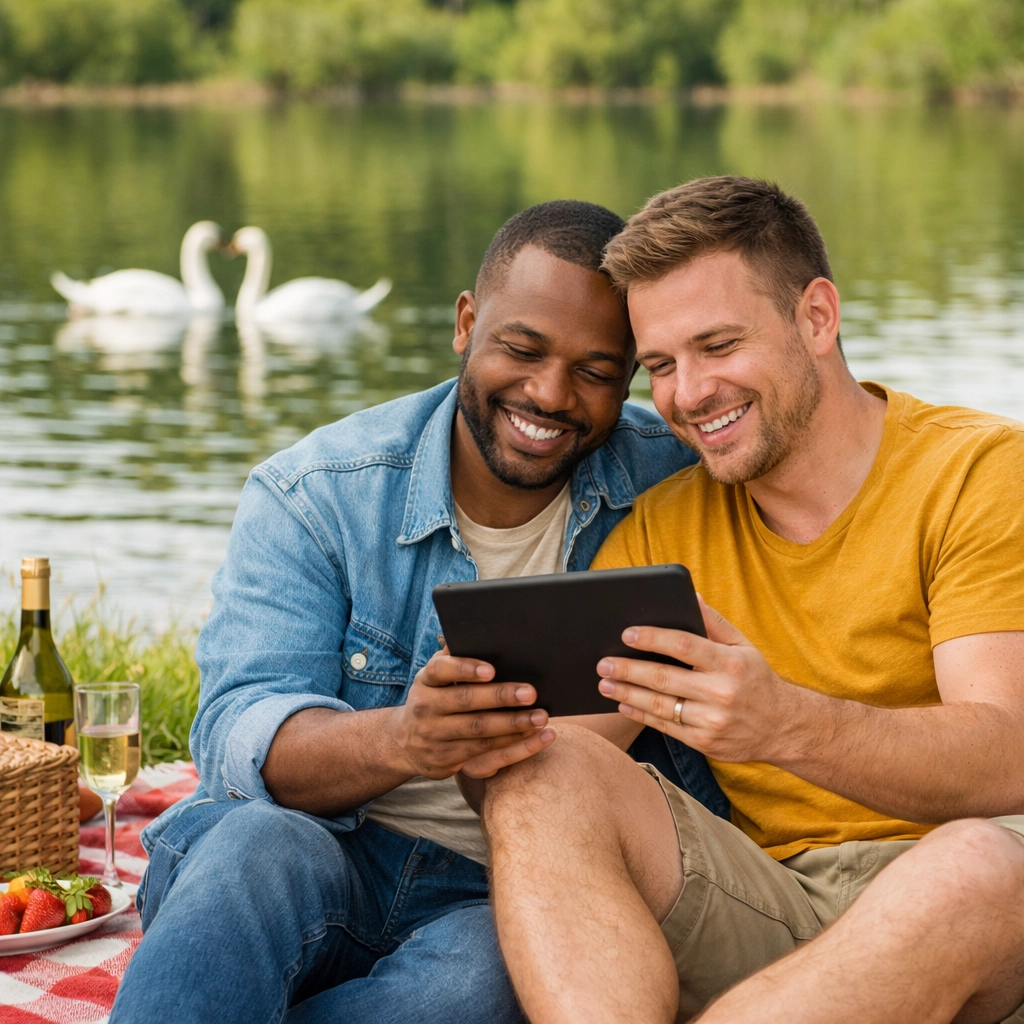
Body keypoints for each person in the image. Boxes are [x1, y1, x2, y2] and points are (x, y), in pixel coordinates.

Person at [108, 200, 710, 1024]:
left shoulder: (678, 482)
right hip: (323, 850)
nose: (549, 393)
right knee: (250, 849)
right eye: (521, 349)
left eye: (597, 372)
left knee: (495, 979)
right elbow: (236, 734)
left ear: (634, 374)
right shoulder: (317, 492)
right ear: (466, 324)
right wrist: (403, 739)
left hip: (502, 890)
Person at [469, 177, 1024, 1024]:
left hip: (967, 899)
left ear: (817, 318)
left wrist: (785, 724)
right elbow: (544, 769)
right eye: (661, 366)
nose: (689, 394)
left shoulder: (978, 475)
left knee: (973, 870)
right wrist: (474, 733)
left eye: (719, 346)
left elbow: (1008, 757)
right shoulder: (664, 530)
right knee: (543, 776)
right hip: (771, 908)